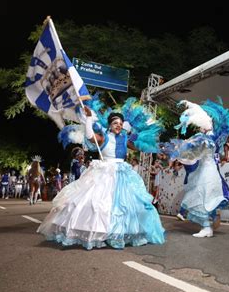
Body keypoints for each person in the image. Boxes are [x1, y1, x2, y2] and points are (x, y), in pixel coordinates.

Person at [38, 97, 165, 250]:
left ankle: (119, 234)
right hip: (104, 172)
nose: (117, 126)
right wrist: (89, 119)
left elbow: (140, 146)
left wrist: (145, 136)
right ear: (110, 125)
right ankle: (99, 233)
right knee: (97, 204)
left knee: (127, 206)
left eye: (120, 124)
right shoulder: (103, 137)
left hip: (123, 173)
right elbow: (90, 136)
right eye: (115, 123)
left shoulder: (125, 139)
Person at [164, 98, 229, 238]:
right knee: (203, 197)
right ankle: (208, 224)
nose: (199, 128)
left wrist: (176, 151)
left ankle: (207, 227)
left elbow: (192, 150)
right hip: (208, 169)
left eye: (199, 125)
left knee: (201, 197)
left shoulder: (205, 138)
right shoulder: (214, 136)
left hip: (207, 171)